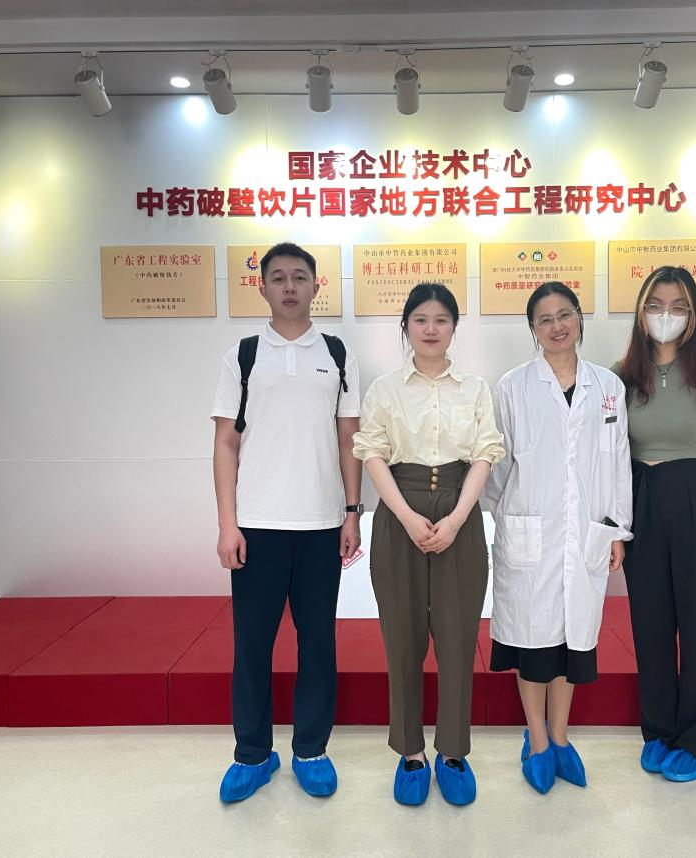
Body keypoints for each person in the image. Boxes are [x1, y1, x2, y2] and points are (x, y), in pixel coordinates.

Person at [210, 242, 363, 802]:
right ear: (263, 287)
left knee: (317, 643)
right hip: (257, 524)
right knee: (252, 645)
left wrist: (352, 512)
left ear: (317, 285)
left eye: (300, 276)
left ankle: (311, 750)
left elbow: (349, 440)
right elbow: (226, 443)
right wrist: (227, 524)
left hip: (321, 523)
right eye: (278, 277)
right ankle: (253, 754)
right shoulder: (245, 355)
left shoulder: (337, 354)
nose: (290, 286)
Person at [352, 282, 505, 806]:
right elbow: (372, 453)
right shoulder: (385, 390)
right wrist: (404, 516)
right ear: (406, 328)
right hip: (401, 511)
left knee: (459, 639)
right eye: (420, 319)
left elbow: (485, 453)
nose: (431, 329)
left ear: (454, 328)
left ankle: (454, 752)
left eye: (441, 320)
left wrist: (459, 518)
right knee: (402, 638)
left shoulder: (475, 389)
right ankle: (411, 753)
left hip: (460, 513)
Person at [484, 281, 632, 794]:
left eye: (564, 314)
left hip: (587, 532)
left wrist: (616, 529)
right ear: (533, 329)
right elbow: (497, 467)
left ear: (579, 319)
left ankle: (562, 737)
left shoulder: (607, 387)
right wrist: (512, 517)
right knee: (533, 643)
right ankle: (537, 740)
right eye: (544, 319)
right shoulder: (512, 387)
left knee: (572, 644)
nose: (556, 326)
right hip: (530, 530)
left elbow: (617, 461)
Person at [611, 265, 696, 783]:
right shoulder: (621, 375)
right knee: (650, 625)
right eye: (655, 305)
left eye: (677, 307)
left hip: (693, 497)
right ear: (641, 311)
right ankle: (659, 730)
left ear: (692, 316)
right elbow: (607, 449)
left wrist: (695, 489)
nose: (664, 315)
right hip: (639, 499)